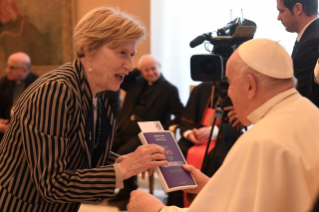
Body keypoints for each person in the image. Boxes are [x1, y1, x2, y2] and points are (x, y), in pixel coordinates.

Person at [0, 7, 168, 212]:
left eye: (131, 54)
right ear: (90, 49)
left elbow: (82, 151)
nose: (130, 65)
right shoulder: (55, 91)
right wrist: (124, 168)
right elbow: (53, 184)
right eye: (122, 53)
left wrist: (123, 160)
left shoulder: (99, 93)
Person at [127, 39, 319, 212]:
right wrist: (210, 186)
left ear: (250, 86)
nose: (228, 95)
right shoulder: (310, 113)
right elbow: (252, 198)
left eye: (230, 84)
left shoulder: (260, 141)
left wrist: (157, 210)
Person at [110, 54, 184, 210]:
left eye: (153, 68)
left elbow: (180, 115)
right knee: (107, 150)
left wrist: (162, 127)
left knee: (124, 153)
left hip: (145, 134)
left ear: (159, 67)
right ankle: (121, 191)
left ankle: (130, 192)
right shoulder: (135, 82)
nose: (150, 73)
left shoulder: (169, 89)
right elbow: (124, 78)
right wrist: (138, 70)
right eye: (146, 70)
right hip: (123, 127)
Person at [277, 0, 319, 106]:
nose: (278, 17)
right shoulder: (309, 34)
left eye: (281, 11)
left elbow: (299, 94)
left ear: (298, 9)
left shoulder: (313, 40)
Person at [0, 52, 38, 141]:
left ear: (24, 70)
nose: (7, 70)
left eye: (12, 67)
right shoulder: (4, 82)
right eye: (7, 66)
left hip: (27, 135)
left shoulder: (38, 83)